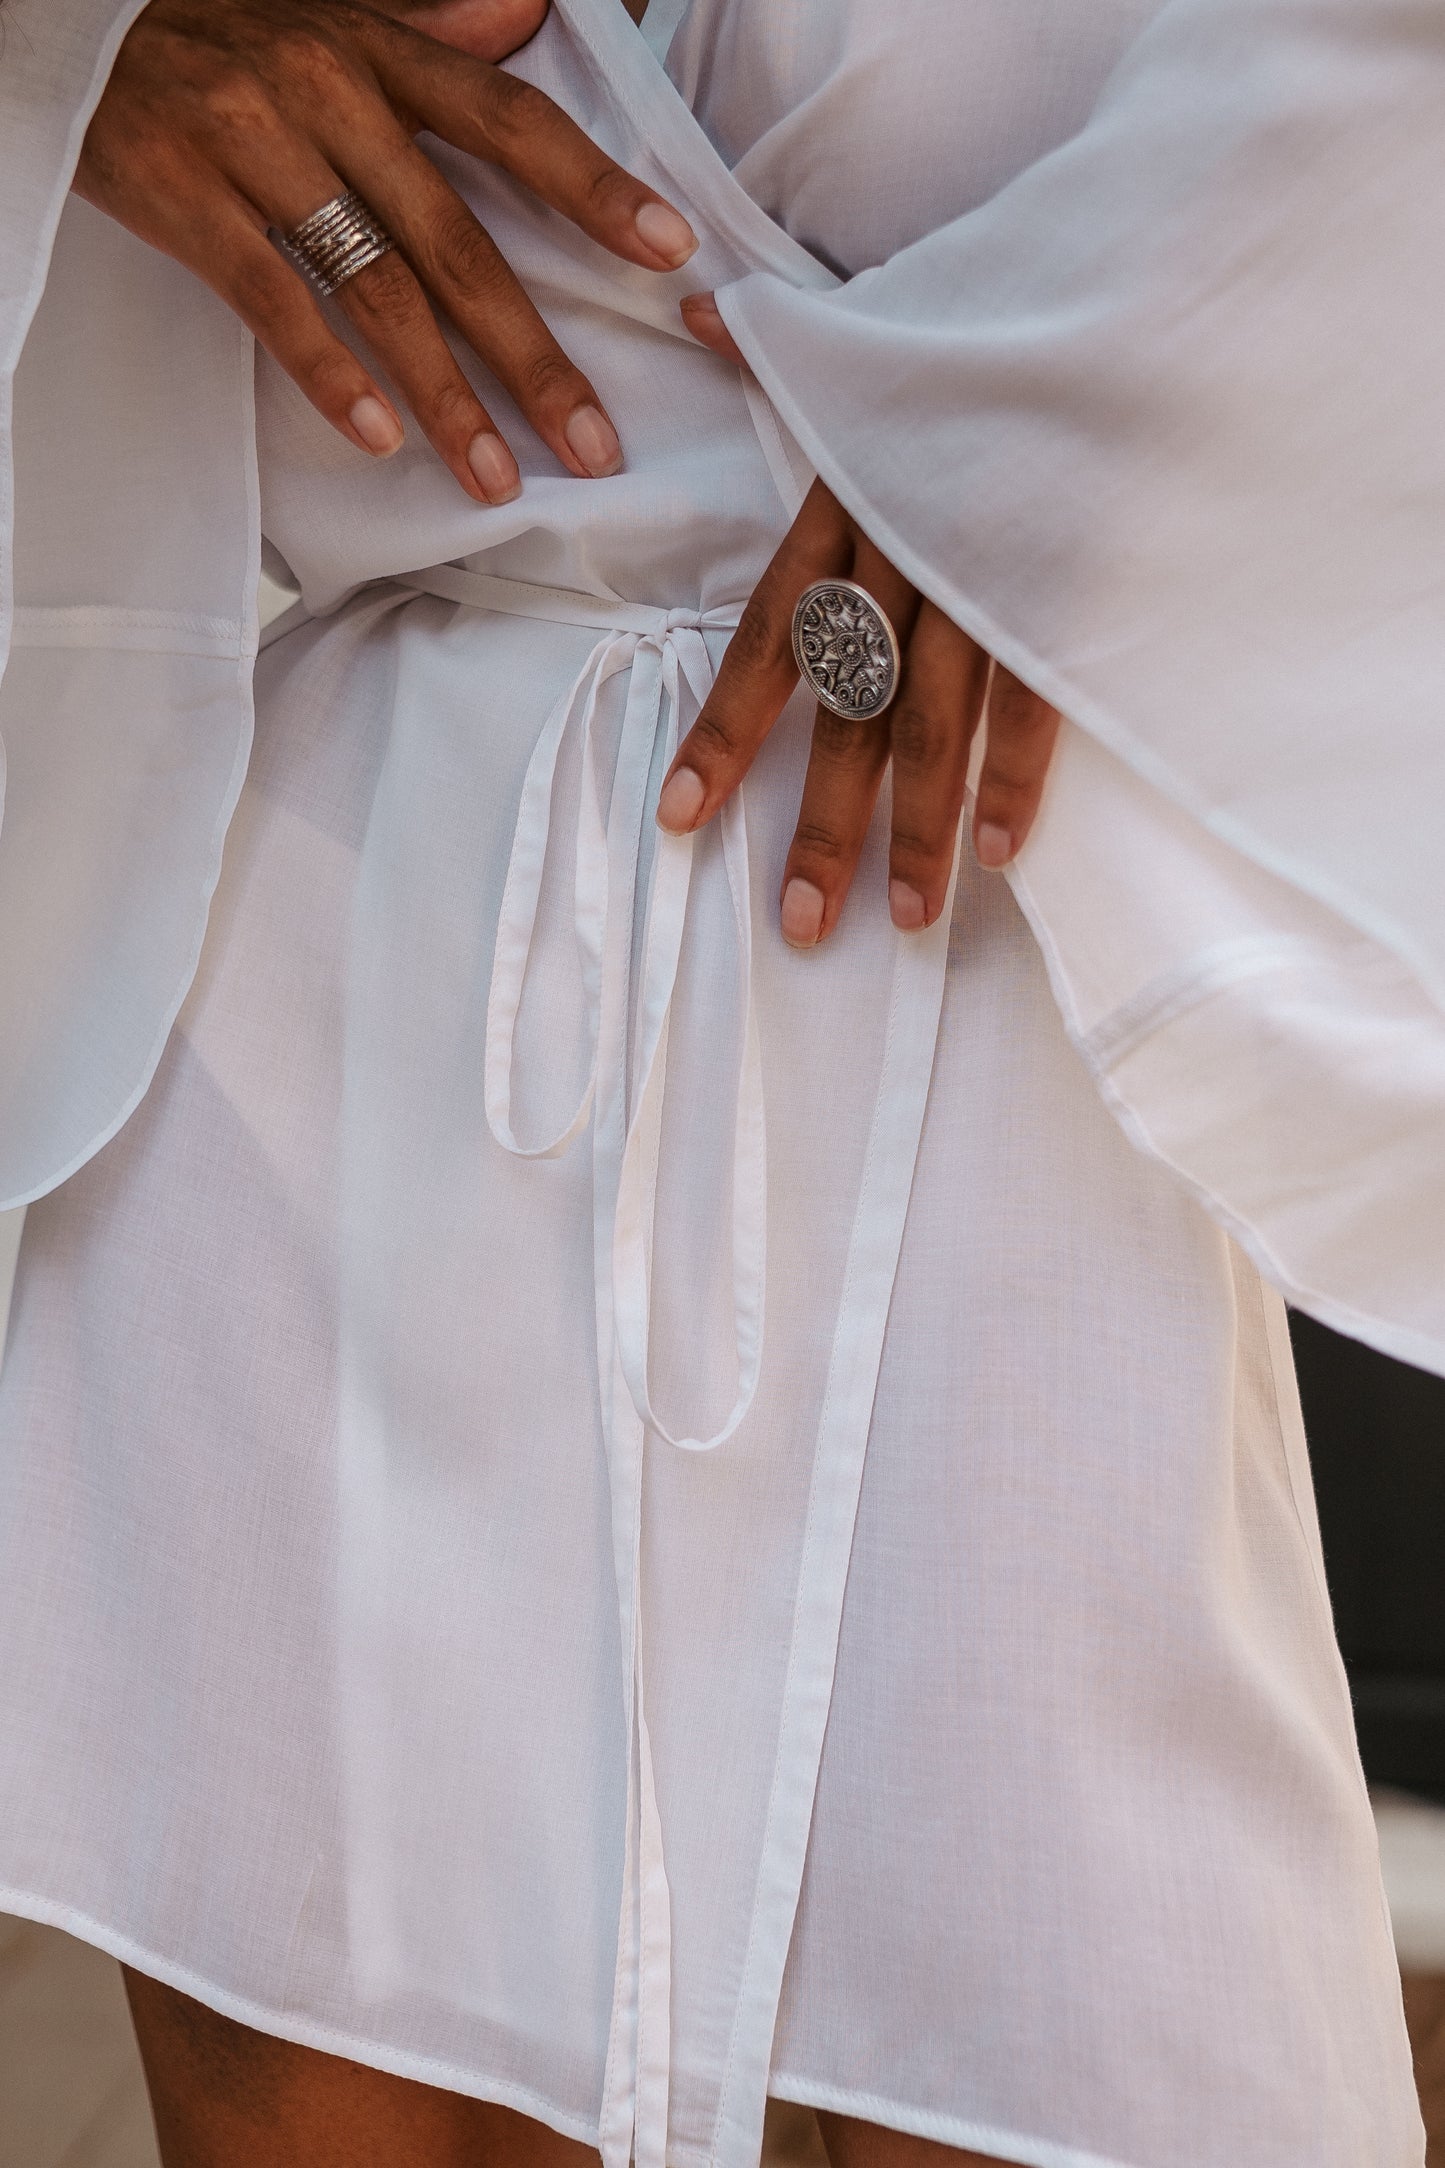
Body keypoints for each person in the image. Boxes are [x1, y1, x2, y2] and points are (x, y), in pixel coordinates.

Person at [0, 1, 1441, 2165]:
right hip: (331, 970)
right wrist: (70, 49)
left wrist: (1078, 385)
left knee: (1092, 2047)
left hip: (989, 958)